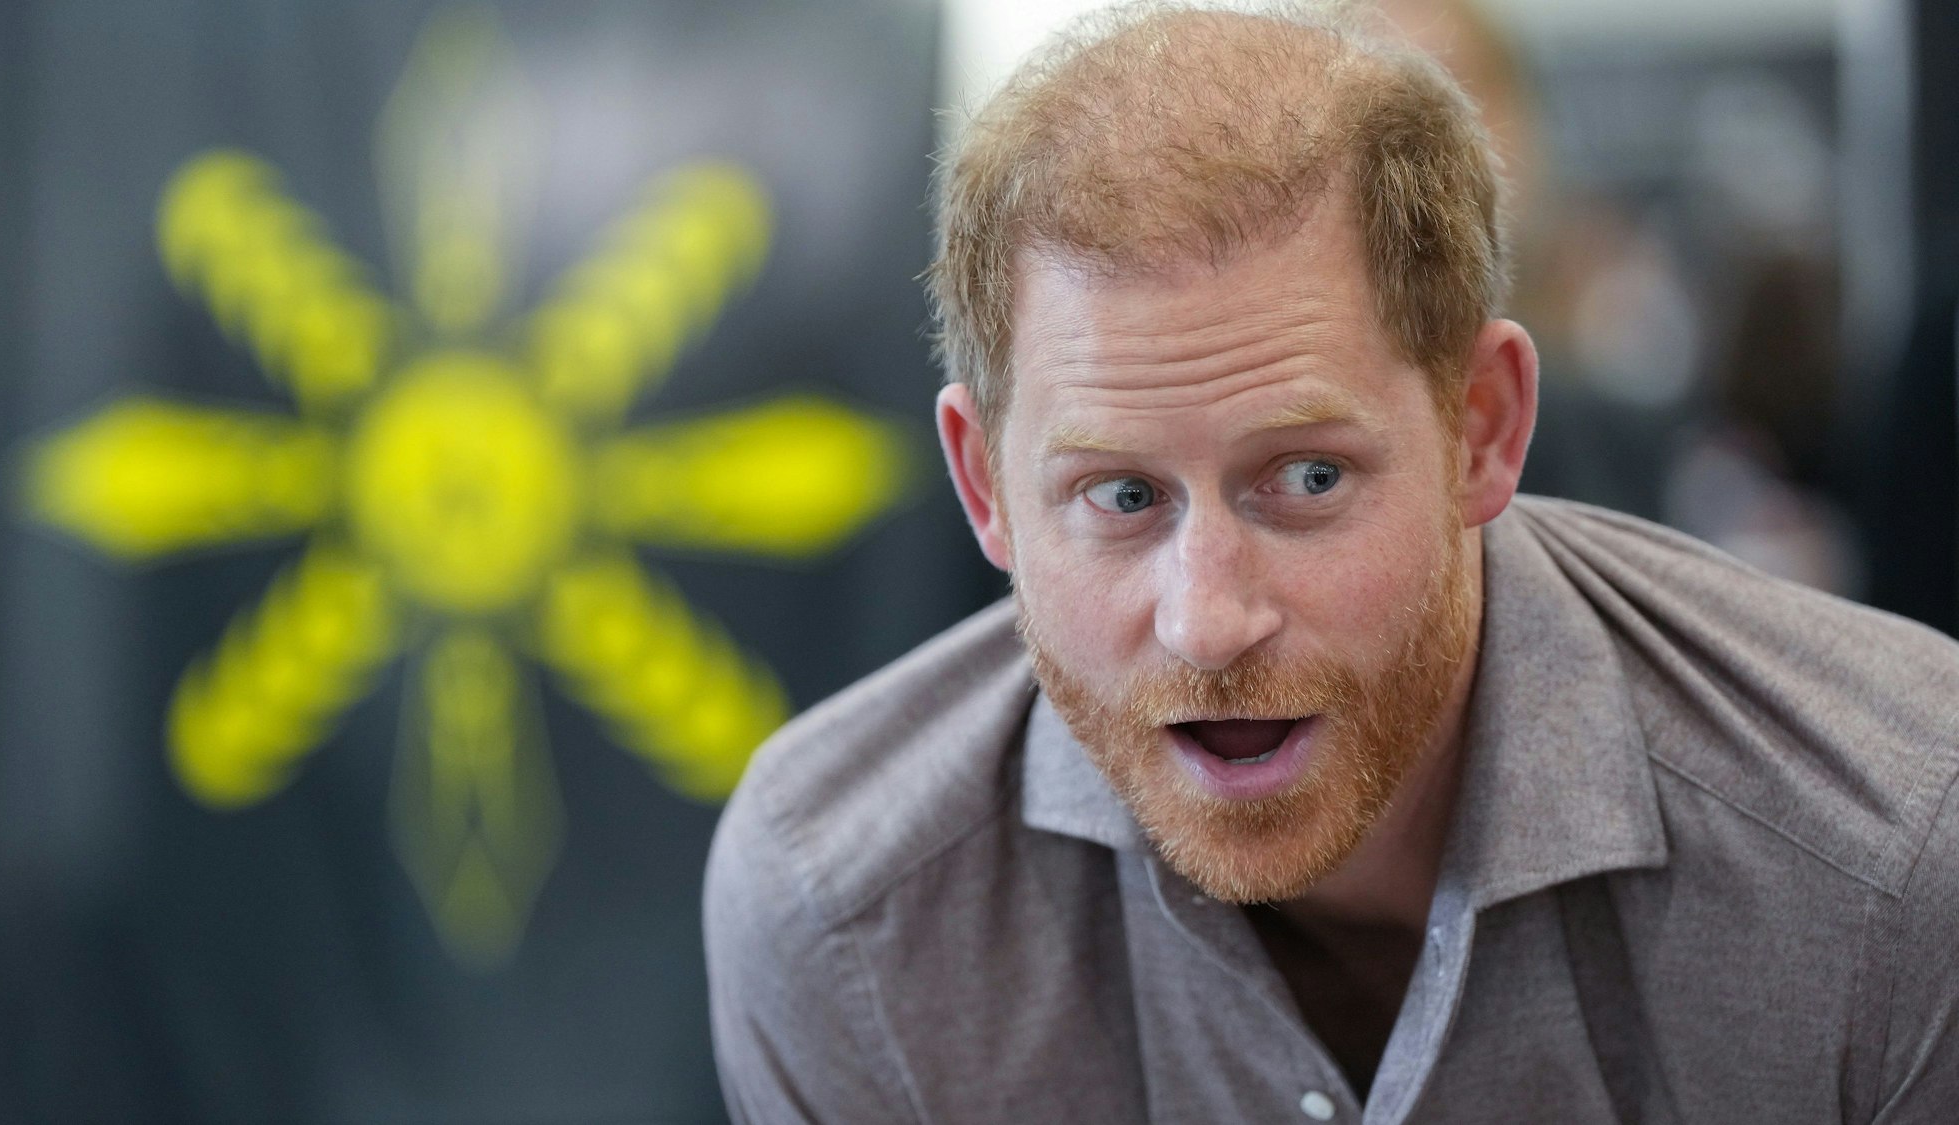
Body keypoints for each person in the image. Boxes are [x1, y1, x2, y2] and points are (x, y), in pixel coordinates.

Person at [702, 4, 1959, 1122]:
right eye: (1121, 496)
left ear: (1480, 428)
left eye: (1306, 479)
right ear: (985, 487)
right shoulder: (847, 912)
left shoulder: (1886, 867)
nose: (1207, 621)